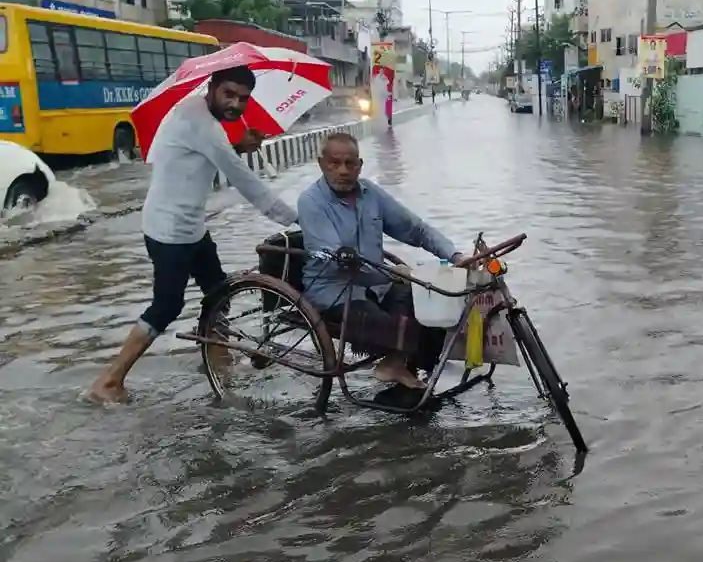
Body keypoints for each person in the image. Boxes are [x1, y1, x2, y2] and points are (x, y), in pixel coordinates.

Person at [88, 66, 298, 404]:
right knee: (166, 306)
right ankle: (109, 381)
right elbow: (245, 182)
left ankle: (218, 357)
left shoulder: (201, 118)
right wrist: (294, 218)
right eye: (228, 94)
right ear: (212, 87)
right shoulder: (202, 124)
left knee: (219, 291)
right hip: (169, 231)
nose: (235, 104)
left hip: (192, 228)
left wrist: (235, 145)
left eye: (243, 99)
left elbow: (206, 152)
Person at [297, 133, 464, 389]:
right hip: (334, 289)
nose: (343, 170)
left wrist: (455, 255)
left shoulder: (370, 194)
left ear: (360, 165)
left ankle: (409, 363)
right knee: (386, 322)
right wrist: (390, 271)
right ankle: (393, 363)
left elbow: (415, 229)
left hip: (377, 283)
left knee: (428, 299)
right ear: (321, 164)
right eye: (334, 163)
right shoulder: (311, 202)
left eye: (350, 163)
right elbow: (336, 256)